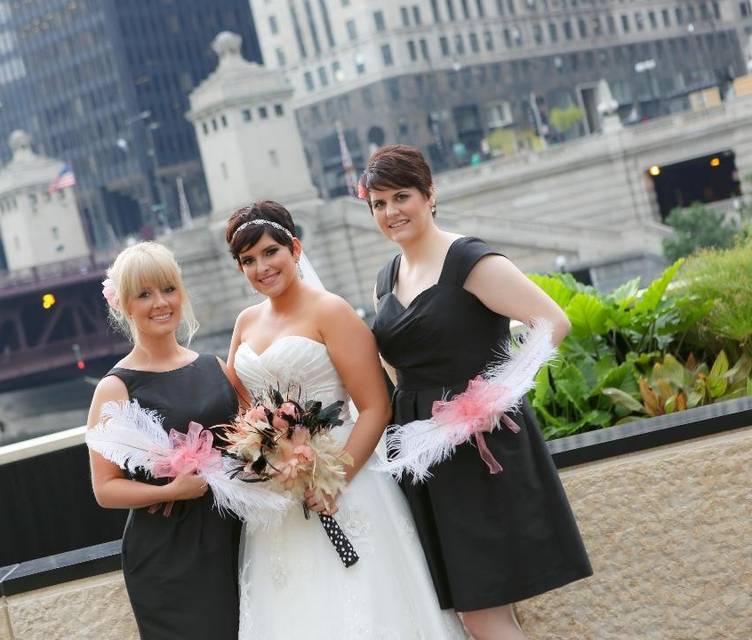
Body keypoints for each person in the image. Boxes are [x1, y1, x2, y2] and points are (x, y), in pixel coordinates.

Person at [364, 144, 593, 640]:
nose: (390, 212)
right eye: (378, 203)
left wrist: (495, 397)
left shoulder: (470, 259)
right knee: (469, 611)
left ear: (429, 194)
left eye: (401, 197)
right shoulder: (385, 279)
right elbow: (393, 365)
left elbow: (553, 322)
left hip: (478, 446)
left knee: (483, 613)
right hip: (421, 450)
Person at [225, 201, 467, 639]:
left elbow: (376, 406)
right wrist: (264, 454)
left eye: (270, 252)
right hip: (278, 500)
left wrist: (333, 478)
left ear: (294, 248)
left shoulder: (331, 312)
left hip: (345, 480)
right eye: (248, 260)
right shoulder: (245, 322)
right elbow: (244, 408)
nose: (261, 267)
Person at [85, 242, 241, 640]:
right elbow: (105, 488)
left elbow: (251, 438)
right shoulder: (115, 388)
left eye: (168, 289)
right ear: (124, 305)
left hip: (237, 536)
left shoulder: (214, 366)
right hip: (169, 557)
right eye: (144, 294)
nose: (161, 303)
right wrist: (172, 490)